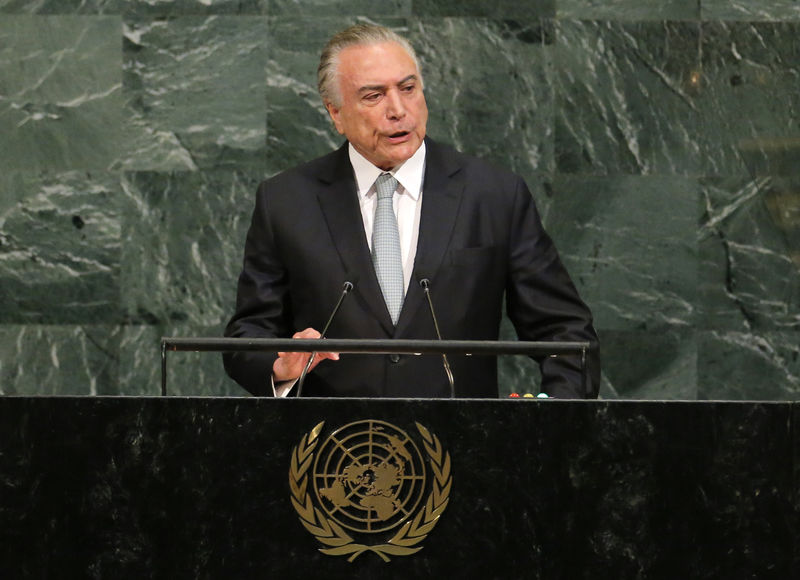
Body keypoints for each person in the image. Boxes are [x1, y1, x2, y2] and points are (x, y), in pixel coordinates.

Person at [223, 24, 600, 398]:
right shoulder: (286, 201)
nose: (398, 110)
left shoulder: (494, 194)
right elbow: (249, 335)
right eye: (374, 96)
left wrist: (555, 416)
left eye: (408, 88)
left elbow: (564, 330)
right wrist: (279, 363)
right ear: (335, 112)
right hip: (335, 449)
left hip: (464, 444)